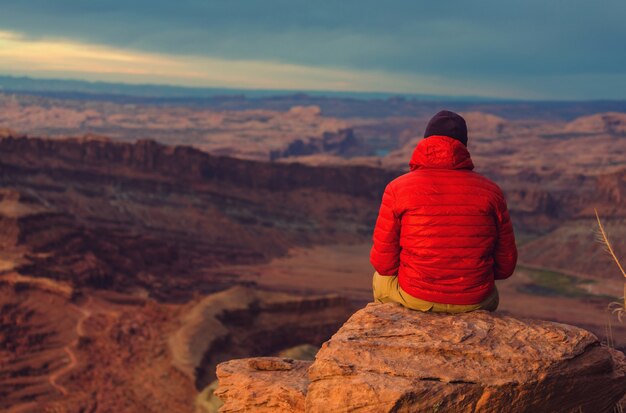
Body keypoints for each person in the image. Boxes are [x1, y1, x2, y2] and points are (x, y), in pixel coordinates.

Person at [370, 110, 517, 313]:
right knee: (493, 293)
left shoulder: (397, 188)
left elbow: (384, 264)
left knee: (381, 279)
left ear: (425, 142)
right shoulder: (491, 190)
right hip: (475, 301)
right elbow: (505, 266)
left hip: (416, 297)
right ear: (463, 146)